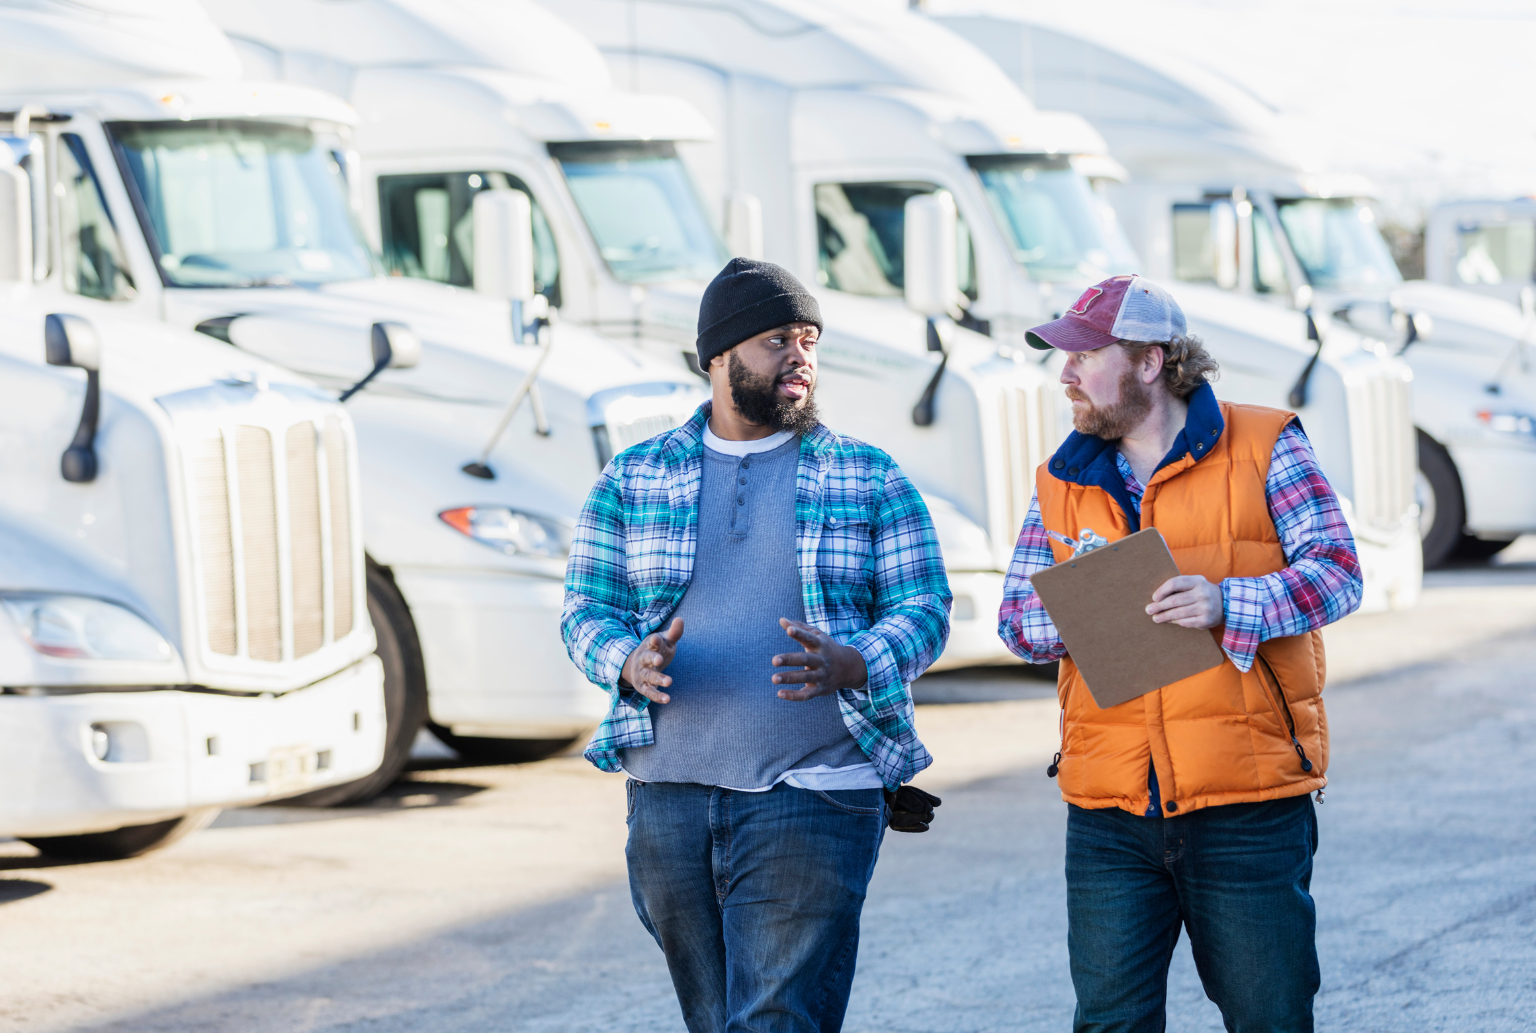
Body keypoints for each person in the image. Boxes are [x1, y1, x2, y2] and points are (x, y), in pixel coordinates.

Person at [561, 258, 951, 1033]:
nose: (800, 356)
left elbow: (924, 606)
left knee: (771, 1019)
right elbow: (584, 610)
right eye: (778, 340)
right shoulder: (634, 478)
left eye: (809, 339)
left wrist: (857, 660)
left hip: (814, 792)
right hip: (667, 796)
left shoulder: (867, 475)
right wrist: (626, 660)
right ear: (719, 356)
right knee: (716, 1019)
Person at [997, 274, 1363, 1033]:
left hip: (1248, 803)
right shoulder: (1061, 478)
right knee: (1110, 1024)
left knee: (1270, 1018)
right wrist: (1081, 607)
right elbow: (1016, 621)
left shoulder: (1266, 442)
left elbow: (1338, 572)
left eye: (1084, 355)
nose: (1063, 374)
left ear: (1150, 361)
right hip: (1109, 810)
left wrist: (1232, 601)